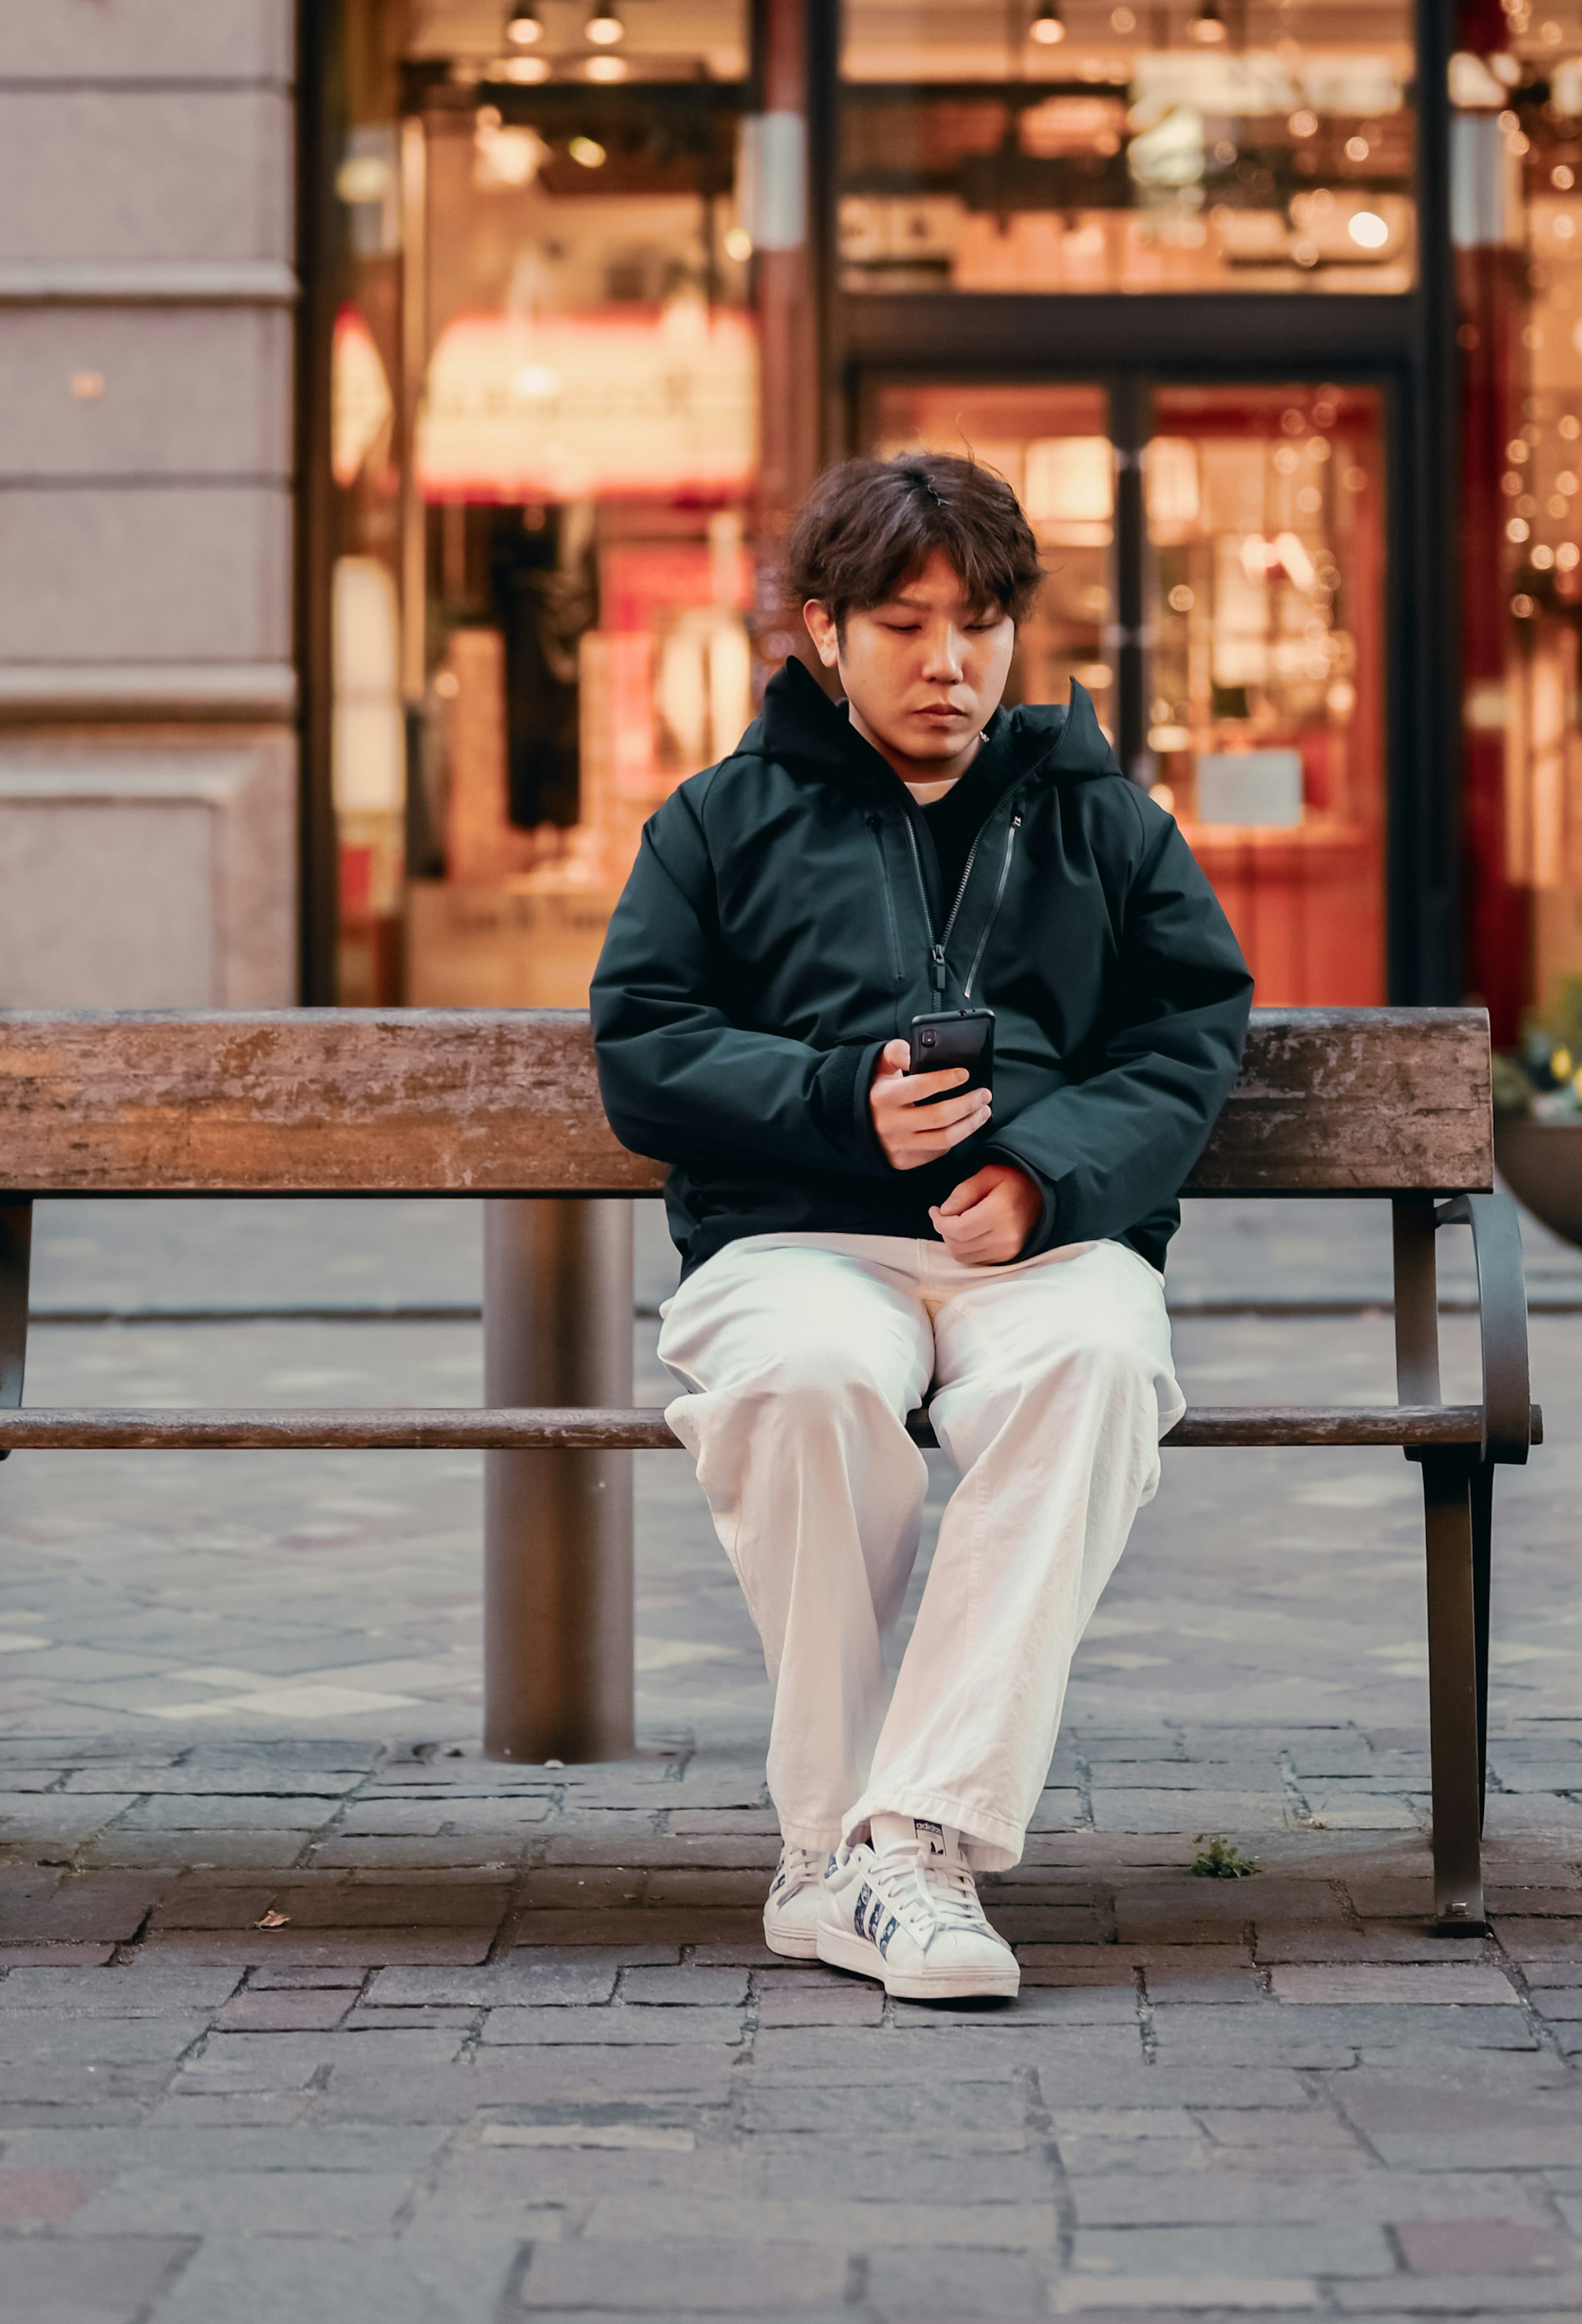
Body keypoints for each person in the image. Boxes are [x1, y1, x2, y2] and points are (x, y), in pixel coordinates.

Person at [590, 449, 1253, 2005]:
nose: (950, 662)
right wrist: (838, 1100)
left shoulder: (1100, 817)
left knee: (1099, 1362)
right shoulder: (719, 822)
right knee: (806, 1382)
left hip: (1041, 1254)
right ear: (825, 628)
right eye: (905, 623)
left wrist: (1049, 1174)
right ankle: (829, 1845)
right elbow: (644, 1041)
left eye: (981, 622)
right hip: (796, 1248)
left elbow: (1192, 1027)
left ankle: (915, 1842)